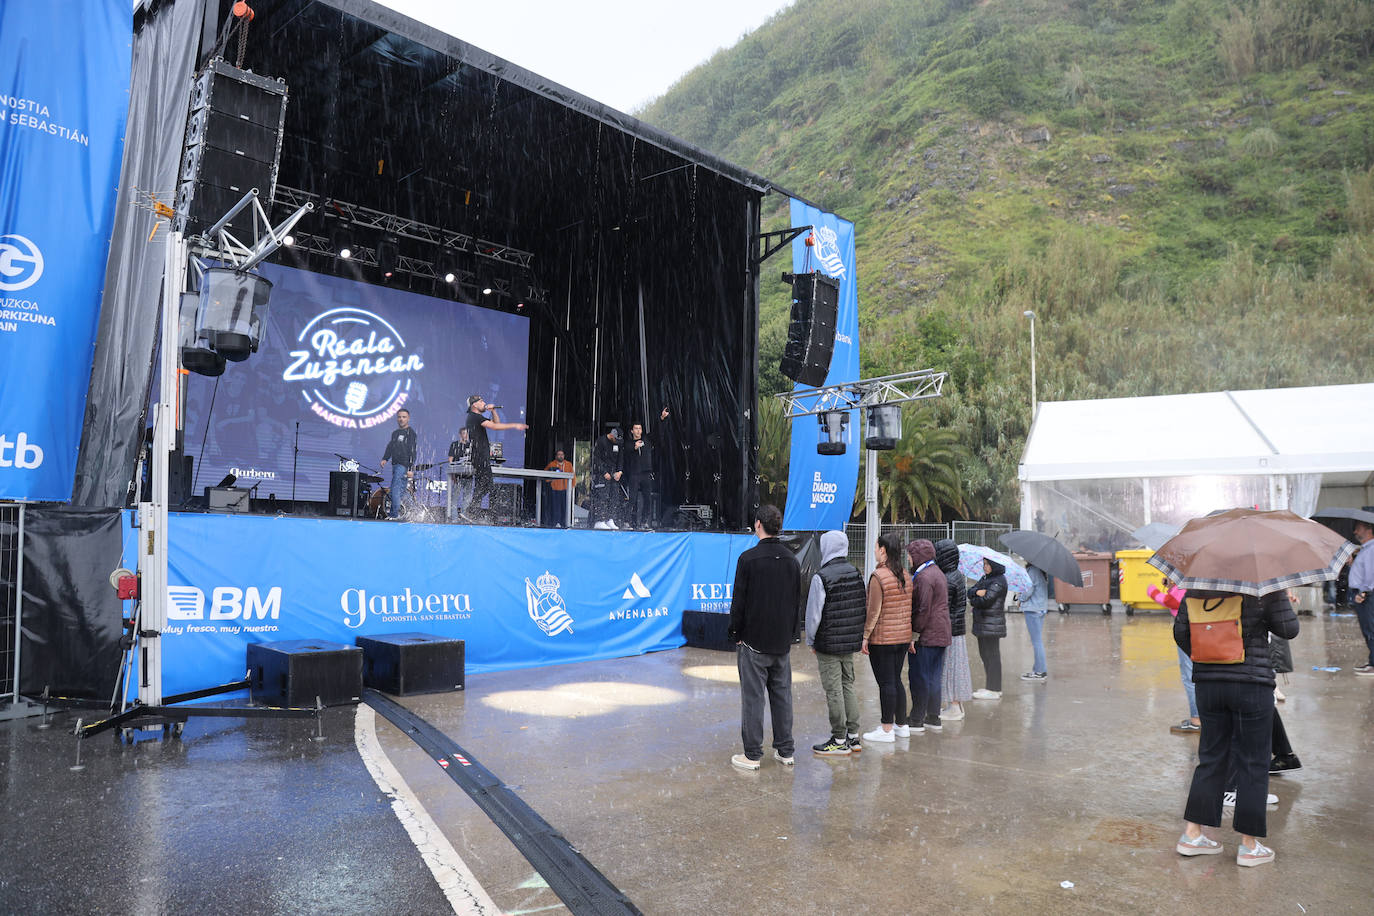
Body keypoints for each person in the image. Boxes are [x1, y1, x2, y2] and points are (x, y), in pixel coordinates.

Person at [1174, 589, 1298, 867]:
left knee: (1211, 758)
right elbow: (1289, 630)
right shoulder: (1265, 587)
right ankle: (1249, 846)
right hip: (1251, 683)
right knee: (1253, 762)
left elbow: (1181, 633)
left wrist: (1210, 656)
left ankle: (1192, 835)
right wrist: (1282, 603)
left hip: (1208, 684)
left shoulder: (1197, 587)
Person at [727, 504, 800, 770]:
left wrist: (735, 633)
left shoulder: (748, 559)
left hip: (753, 641)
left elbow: (740, 601)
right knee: (782, 696)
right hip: (781, 642)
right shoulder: (791, 560)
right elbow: (795, 602)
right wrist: (792, 635)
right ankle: (786, 750)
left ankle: (753, 754)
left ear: (758, 524)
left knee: (753, 697)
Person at [805, 530, 865, 757]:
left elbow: (813, 615)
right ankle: (853, 736)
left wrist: (811, 639)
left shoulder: (822, 576)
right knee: (848, 685)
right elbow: (861, 605)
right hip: (849, 642)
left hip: (828, 643)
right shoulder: (855, 572)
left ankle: (839, 738)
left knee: (833, 690)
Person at [860, 533, 912, 744]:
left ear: (883, 550)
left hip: (883, 640)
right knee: (896, 680)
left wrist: (865, 637)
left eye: (875, 547)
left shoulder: (878, 577)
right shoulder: (906, 575)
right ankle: (902, 725)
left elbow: (873, 611)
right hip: (902, 637)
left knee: (886, 683)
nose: (874, 551)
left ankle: (886, 728)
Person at [906, 540, 951, 734]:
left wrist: (914, 634)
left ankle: (917, 719)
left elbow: (923, 608)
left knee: (920, 677)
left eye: (909, 555)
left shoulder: (924, 577)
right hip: (941, 633)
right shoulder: (937, 572)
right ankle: (933, 717)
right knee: (933, 677)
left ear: (918, 556)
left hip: (927, 635)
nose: (907, 559)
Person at [463, 396, 528, 522]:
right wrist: (515, 425)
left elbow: (496, 423)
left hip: (481, 455)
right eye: (481, 401)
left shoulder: (477, 417)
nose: (484, 403)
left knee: (482, 485)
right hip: (479, 455)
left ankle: (472, 513)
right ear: (474, 405)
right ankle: (473, 512)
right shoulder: (474, 417)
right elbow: (495, 427)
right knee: (488, 486)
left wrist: (493, 411)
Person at [1149, 582, 1200, 735]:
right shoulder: (1201, 579)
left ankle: (1196, 719)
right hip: (1201, 627)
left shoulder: (1188, 582)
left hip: (1188, 629)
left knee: (1189, 676)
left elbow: (1172, 601)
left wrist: (1153, 592)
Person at [935, 538, 972, 721]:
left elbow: (944, 608)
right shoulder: (956, 574)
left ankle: (954, 707)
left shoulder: (948, 579)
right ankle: (956, 704)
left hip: (950, 630)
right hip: (957, 629)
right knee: (956, 667)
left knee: (951, 668)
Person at [621, 408, 669, 529]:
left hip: (646, 473)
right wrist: (634, 447)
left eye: (640, 428)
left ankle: (644, 522)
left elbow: (658, 432)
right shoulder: (628, 443)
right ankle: (627, 521)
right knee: (633, 499)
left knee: (648, 499)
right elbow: (625, 452)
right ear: (632, 431)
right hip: (634, 474)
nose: (638, 430)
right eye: (636, 428)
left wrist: (662, 418)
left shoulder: (647, 439)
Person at [969, 558, 1008, 699]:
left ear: (994, 565)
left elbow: (986, 600)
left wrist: (975, 598)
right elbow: (970, 591)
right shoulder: (986, 578)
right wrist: (977, 593)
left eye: (987, 564)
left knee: (992, 656)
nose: (984, 567)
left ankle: (994, 689)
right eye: (984, 564)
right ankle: (990, 687)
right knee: (985, 655)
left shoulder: (999, 580)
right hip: (983, 624)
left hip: (992, 625)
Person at [378, 409, 416, 519]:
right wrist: (385, 458)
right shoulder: (395, 433)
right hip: (395, 464)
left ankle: (394, 514)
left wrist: (410, 468)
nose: (401, 419)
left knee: (395, 488)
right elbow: (390, 446)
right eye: (399, 417)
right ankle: (413, 511)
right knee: (402, 490)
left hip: (403, 465)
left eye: (404, 417)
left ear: (408, 418)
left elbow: (413, 451)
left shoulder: (411, 433)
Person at [1349, 520, 1374, 676]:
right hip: (1363, 594)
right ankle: (1372, 662)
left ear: (1369, 529)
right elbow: (1363, 572)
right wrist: (1352, 564)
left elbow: (1371, 575)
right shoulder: (1365, 550)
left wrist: (1364, 593)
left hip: (1367, 596)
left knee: (1371, 630)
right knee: (1367, 630)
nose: (1355, 532)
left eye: (1358, 528)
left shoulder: (1371, 549)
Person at [1020, 563, 1049, 681]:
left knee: (1037, 642)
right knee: (1037, 641)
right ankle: (1037, 669)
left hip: (1033, 609)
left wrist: (1020, 598)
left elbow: (1028, 590)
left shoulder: (1032, 571)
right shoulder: (1040, 570)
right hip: (1040, 608)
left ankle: (1040, 671)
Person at [591, 427, 623, 529]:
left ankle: (610, 519)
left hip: (614, 473)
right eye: (616, 439)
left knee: (614, 497)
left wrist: (619, 471)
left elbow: (621, 458)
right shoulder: (601, 441)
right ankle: (599, 520)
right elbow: (596, 458)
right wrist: (604, 472)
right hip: (602, 474)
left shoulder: (619, 443)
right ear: (612, 435)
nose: (617, 442)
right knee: (602, 497)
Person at [543, 448, 573, 528]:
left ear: (564, 456)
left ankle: (565, 524)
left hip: (565, 489)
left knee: (565, 508)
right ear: (556, 456)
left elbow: (573, 476)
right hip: (555, 490)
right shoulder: (552, 464)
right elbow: (545, 476)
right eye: (559, 454)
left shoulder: (569, 464)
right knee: (555, 508)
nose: (560, 456)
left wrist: (572, 487)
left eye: (562, 454)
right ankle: (554, 523)